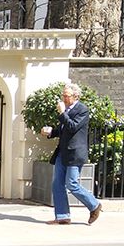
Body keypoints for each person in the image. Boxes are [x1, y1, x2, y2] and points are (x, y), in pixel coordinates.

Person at [39, 81, 102, 225]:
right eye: (63, 95)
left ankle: (94, 205)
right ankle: (62, 216)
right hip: (62, 152)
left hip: (75, 153)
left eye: (67, 96)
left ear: (76, 96)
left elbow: (73, 127)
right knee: (57, 184)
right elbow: (64, 130)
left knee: (71, 183)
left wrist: (62, 113)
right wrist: (51, 132)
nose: (64, 98)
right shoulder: (67, 110)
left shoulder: (82, 110)